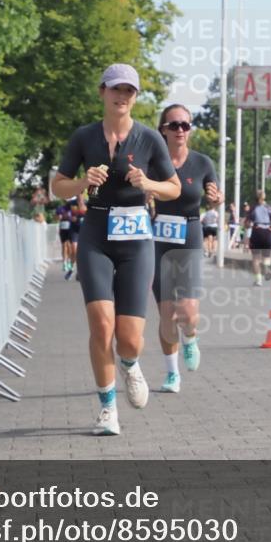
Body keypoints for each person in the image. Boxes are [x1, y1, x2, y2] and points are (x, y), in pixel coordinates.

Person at [52, 64, 181, 435]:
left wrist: (150, 183)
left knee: (128, 338)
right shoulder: (84, 137)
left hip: (136, 237)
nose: (122, 96)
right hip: (95, 233)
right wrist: (81, 181)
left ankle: (130, 364)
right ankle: (108, 408)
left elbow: (173, 188)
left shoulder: (149, 140)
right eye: (115, 89)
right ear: (102, 93)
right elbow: (57, 186)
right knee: (101, 324)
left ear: (135, 97)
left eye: (129, 91)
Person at [151, 104, 222, 394]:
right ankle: (172, 374)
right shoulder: (153, 163)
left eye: (185, 125)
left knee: (188, 312)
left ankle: (190, 338)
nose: (180, 130)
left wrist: (216, 199)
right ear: (163, 130)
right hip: (159, 239)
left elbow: (215, 198)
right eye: (174, 125)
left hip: (190, 233)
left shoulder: (202, 162)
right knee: (167, 315)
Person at [245, 190, 271, 285]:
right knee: (267, 256)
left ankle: (258, 280)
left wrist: (248, 226)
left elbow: (247, 223)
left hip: (257, 231)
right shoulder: (269, 208)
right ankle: (267, 267)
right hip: (268, 232)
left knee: (256, 258)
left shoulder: (253, 208)